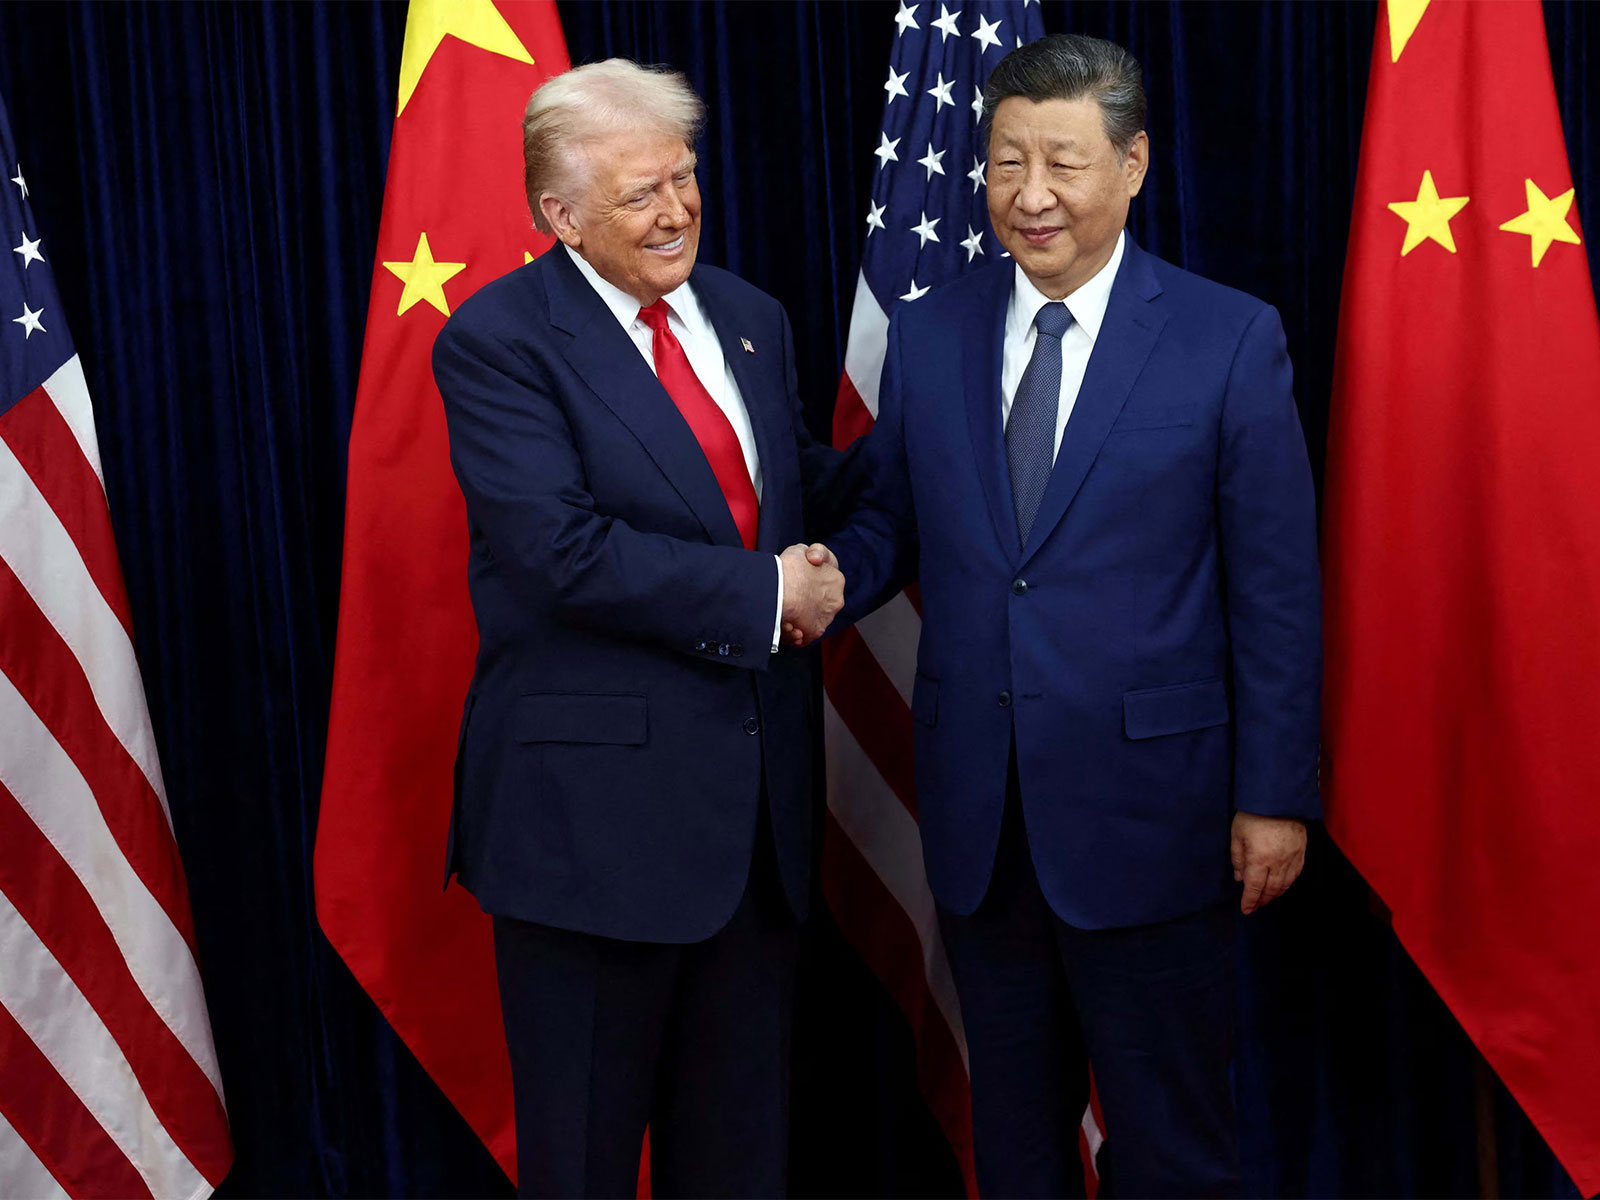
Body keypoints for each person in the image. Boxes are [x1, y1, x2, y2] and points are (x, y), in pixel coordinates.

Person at [813, 34, 1321, 1199]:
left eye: (1063, 164)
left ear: (1131, 166)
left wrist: (1275, 795)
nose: (1029, 195)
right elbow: (894, 518)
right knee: (1017, 1142)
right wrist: (827, 580)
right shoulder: (933, 331)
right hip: (980, 819)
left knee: (1172, 1142)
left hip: (1158, 817)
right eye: (1005, 163)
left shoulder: (1225, 338)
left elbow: (1277, 590)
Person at [432, 58, 858, 1199]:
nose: (675, 211)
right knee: (581, 1161)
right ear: (560, 216)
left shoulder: (751, 317)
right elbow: (557, 551)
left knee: (738, 1162)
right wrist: (773, 598)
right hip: (590, 836)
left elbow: (795, 495)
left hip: (755, 832)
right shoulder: (498, 342)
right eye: (639, 193)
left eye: (683, 178)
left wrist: (936, 465)